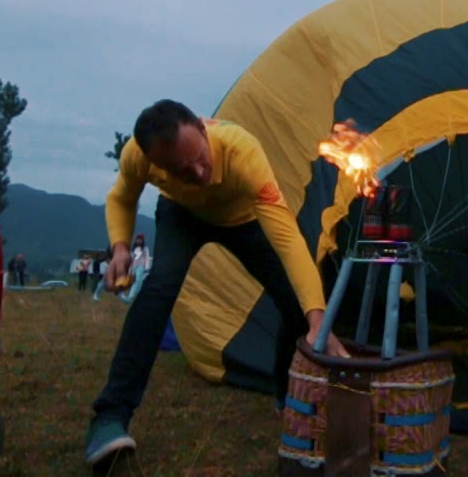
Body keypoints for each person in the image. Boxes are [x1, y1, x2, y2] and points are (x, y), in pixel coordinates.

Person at [84, 99, 350, 467]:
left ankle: (286, 392)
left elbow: (287, 239)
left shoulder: (241, 151)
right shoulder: (137, 153)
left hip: (242, 219)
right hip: (182, 216)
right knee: (159, 288)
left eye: (201, 157)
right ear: (157, 164)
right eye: (183, 169)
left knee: (295, 302)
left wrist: (317, 315)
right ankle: (110, 418)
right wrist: (119, 249)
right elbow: (121, 197)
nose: (199, 172)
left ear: (202, 128)